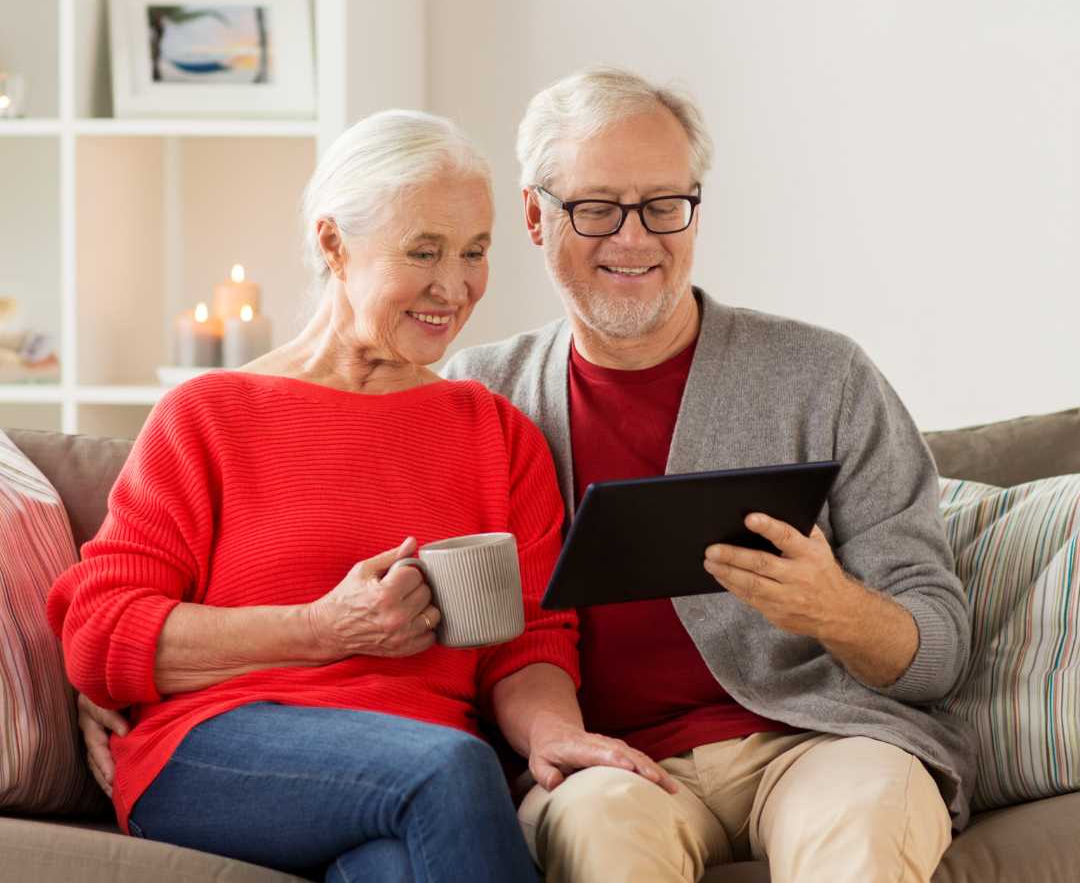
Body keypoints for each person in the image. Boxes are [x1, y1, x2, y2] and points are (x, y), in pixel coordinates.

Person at [49, 110, 676, 883]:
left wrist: (552, 733)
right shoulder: (210, 414)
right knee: (448, 768)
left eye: (475, 251)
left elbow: (533, 641)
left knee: (397, 866)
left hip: (416, 779)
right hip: (222, 752)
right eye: (424, 251)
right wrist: (320, 629)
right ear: (333, 244)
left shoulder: (495, 433)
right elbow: (102, 633)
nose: (455, 286)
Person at [439, 68, 977, 883]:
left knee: (866, 824)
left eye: (664, 204)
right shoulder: (476, 396)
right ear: (534, 216)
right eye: (596, 208)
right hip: (607, 766)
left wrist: (840, 611)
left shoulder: (821, 375)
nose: (634, 239)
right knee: (601, 838)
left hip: (822, 743)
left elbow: (939, 653)